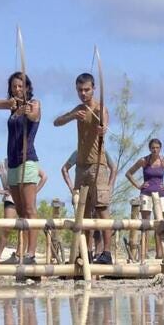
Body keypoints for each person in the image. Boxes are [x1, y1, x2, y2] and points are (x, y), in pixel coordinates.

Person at [54, 73, 113, 264]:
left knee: (102, 208)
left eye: (87, 89)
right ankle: (85, 252)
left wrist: (102, 129)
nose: (83, 93)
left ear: (94, 88)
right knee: (84, 211)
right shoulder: (79, 109)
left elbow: (104, 123)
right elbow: (57, 122)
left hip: (97, 165)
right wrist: (72, 116)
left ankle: (107, 252)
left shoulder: (99, 108)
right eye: (80, 90)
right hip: (81, 167)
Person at [0, 72, 42, 264]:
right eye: (14, 86)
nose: (17, 89)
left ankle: (31, 253)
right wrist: (8, 104)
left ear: (27, 88)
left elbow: (34, 115)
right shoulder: (12, 107)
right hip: (13, 163)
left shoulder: (33, 103)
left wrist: (26, 110)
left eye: (20, 86)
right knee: (20, 211)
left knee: (30, 209)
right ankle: (21, 251)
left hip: (27, 161)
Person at [125, 138, 164, 260]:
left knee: (160, 223)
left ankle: (160, 252)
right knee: (146, 223)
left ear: (160, 148)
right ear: (149, 148)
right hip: (146, 194)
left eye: (157, 147)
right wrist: (138, 185)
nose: (155, 150)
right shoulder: (144, 161)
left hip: (160, 195)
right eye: (153, 147)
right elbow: (128, 173)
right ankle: (144, 251)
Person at [0, 158, 47, 263]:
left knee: (25, 225)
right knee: (7, 227)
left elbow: (44, 176)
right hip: (10, 196)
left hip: (24, 197)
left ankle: (20, 254)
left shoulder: (27, 163)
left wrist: (35, 191)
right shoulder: (2, 164)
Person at [61, 149, 117, 260]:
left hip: (99, 189)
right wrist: (72, 189)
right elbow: (64, 169)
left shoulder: (103, 152)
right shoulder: (78, 152)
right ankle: (87, 251)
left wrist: (109, 186)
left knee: (102, 217)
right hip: (84, 189)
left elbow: (113, 168)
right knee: (85, 219)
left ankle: (105, 253)